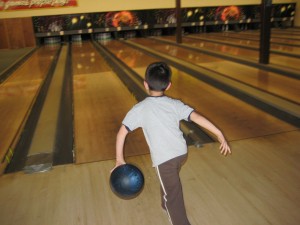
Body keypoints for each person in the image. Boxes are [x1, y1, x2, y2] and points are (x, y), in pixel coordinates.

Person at [112, 62, 231, 225]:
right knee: (170, 181)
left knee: (174, 195)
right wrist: (219, 133)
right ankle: (164, 203)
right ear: (168, 86)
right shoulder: (175, 104)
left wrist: (119, 159)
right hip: (181, 154)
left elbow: (121, 133)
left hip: (164, 159)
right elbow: (196, 117)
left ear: (145, 84)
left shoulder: (140, 109)